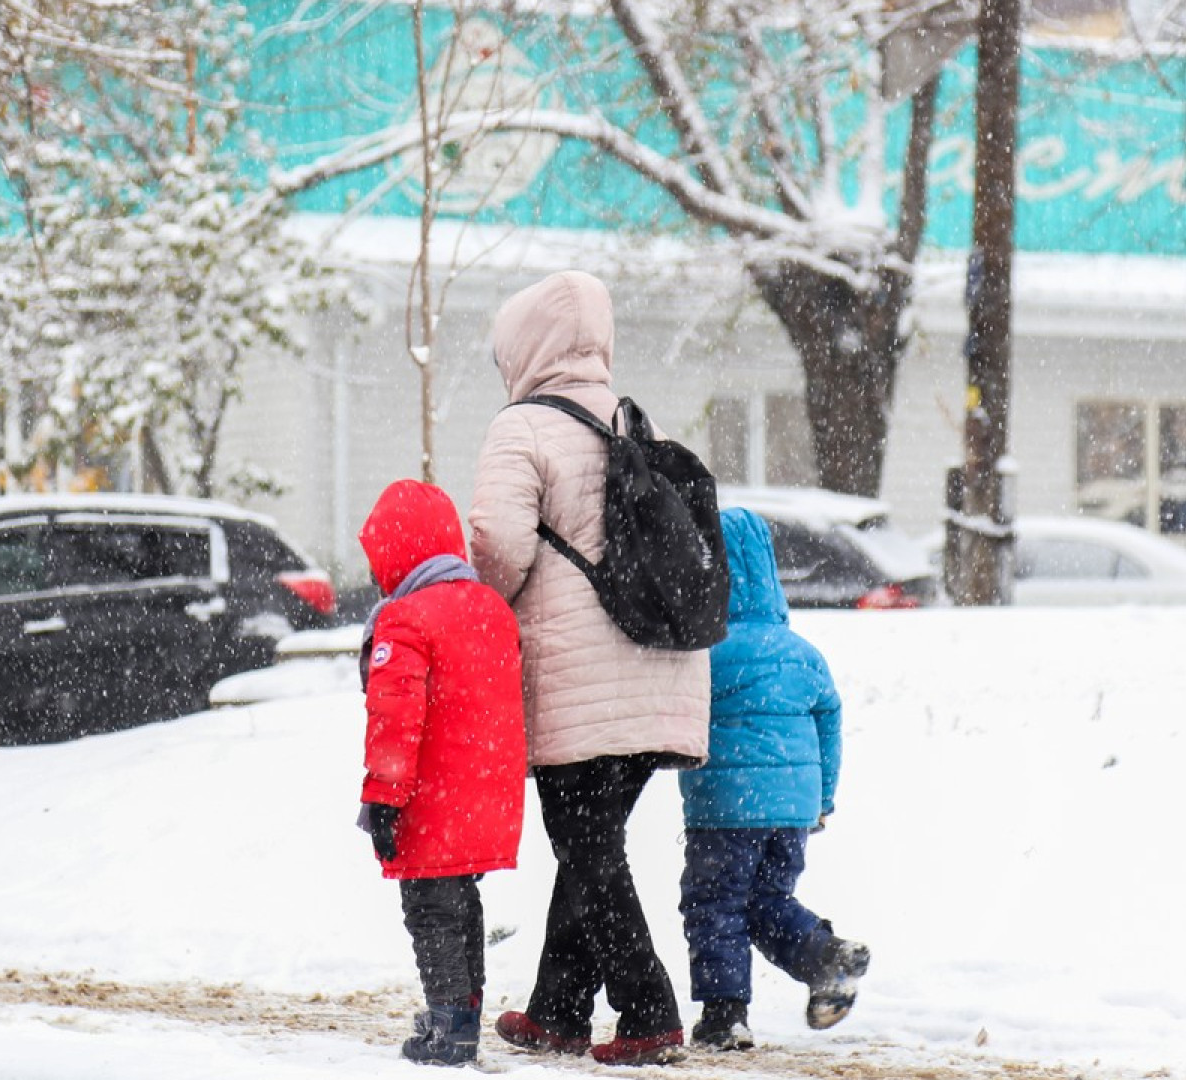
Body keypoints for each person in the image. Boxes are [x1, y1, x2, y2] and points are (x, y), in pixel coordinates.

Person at [469, 270, 710, 1066]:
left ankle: (649, 1012)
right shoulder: (637, 421)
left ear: (523, 347)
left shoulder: (521, 428)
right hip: (664, 671)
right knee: (591, 847)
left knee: (588, 847)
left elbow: (496, 544)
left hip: (580, 678)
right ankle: (559, 1010)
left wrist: (488, 603)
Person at [678, 508, 872, 1051]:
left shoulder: (705, 653)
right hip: (793, 809)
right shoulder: (803, 654)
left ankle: (724, 1016)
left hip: (725, 807)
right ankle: (824, 956)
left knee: (715, 904)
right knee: (765, 901)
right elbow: (829, 725)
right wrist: (822, 798)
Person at [356, 479, 528, 1067]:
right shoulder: (493, 609)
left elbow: (394, 716)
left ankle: (449, 1027)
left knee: (430, 908)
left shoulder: (405, 617)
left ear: (397, 551)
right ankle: (464, 1012)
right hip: (486, 792)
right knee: (461, 902)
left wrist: (384, 797)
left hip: (429, 794)